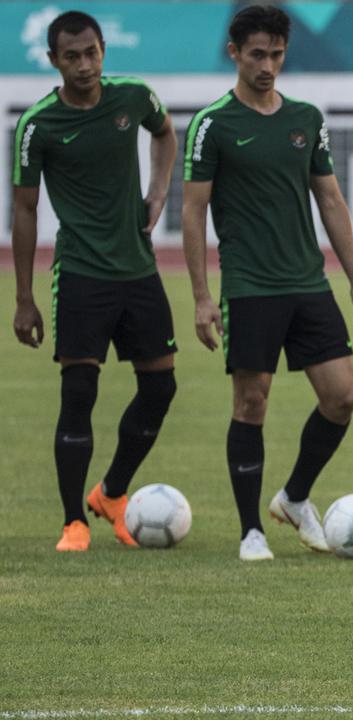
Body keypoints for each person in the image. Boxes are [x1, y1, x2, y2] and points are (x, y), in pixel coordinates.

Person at [182, 5, 353, 561]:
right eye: (257, 54)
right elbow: (193, 213)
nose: (268, 65)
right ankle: (251, 531)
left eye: (277, 54)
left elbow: (330, 199)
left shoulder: (306, 118)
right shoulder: (213, 124)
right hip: (249, 285)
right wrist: (200, 297)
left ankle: (293, 497)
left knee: (343, 397)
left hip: (307, 282)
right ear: (234, 52)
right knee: (252, 402)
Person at [11, 11, 179, 552]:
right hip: (80, 274)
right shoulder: (38, 124)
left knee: (161, 387)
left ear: (104, 49)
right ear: (53, 60)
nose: (84, 65)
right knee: (79, 392)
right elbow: (24, 209)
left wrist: (158, 194)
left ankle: (110, 492)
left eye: (92, 52)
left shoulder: (133, 98)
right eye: (72, 56)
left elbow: (165, 133)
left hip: (139, 269)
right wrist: (23, 299)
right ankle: (72, 522)